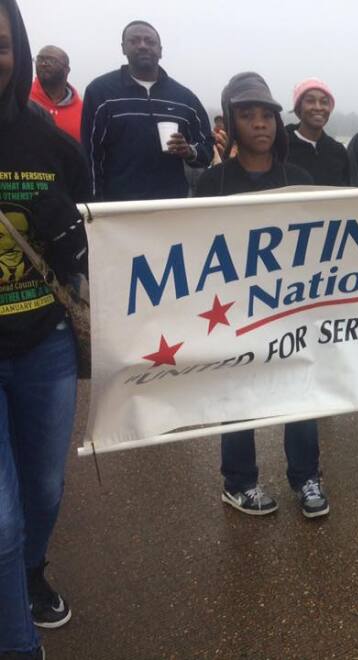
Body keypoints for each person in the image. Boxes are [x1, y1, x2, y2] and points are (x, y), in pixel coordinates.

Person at [194, 72, 329, 518]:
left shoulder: (301, 177)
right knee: (240, 393)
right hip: (233, 310)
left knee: (300, 386)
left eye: (267, 115)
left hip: (291, 307)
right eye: (247, 115)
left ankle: (306, 475)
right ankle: (239, 481)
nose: (260, 124)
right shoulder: (212, 184)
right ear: (231, 124)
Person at [0, 1, 91, 656]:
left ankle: (29, 574)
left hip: (45, 347)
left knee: (42, 488)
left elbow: (94, 254)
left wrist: (68, 236)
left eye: (1, 45)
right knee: (0, 519)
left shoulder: (53, 144)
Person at [80, 20, 214, 201]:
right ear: (123, 48)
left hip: (172, 206)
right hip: (118, 207)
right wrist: (95, 205)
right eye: (134, 41)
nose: (143, 46)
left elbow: (207, 149)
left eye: (150, 41)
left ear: (160, 50)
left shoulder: (184, 98)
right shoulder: (101, 92)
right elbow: (90, 154)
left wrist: (188, 151)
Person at [285, 77, 349, 185]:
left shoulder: (338, 151)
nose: (318, 107)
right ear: (298, 108)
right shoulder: (281, 148)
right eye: (310, 101)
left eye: (324, 102)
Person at [28, 45, 82, 141]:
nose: (43, 64)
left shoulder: (82, 110)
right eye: (39, 59)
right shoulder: (21, 97)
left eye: (52, 60)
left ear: (67, 70)